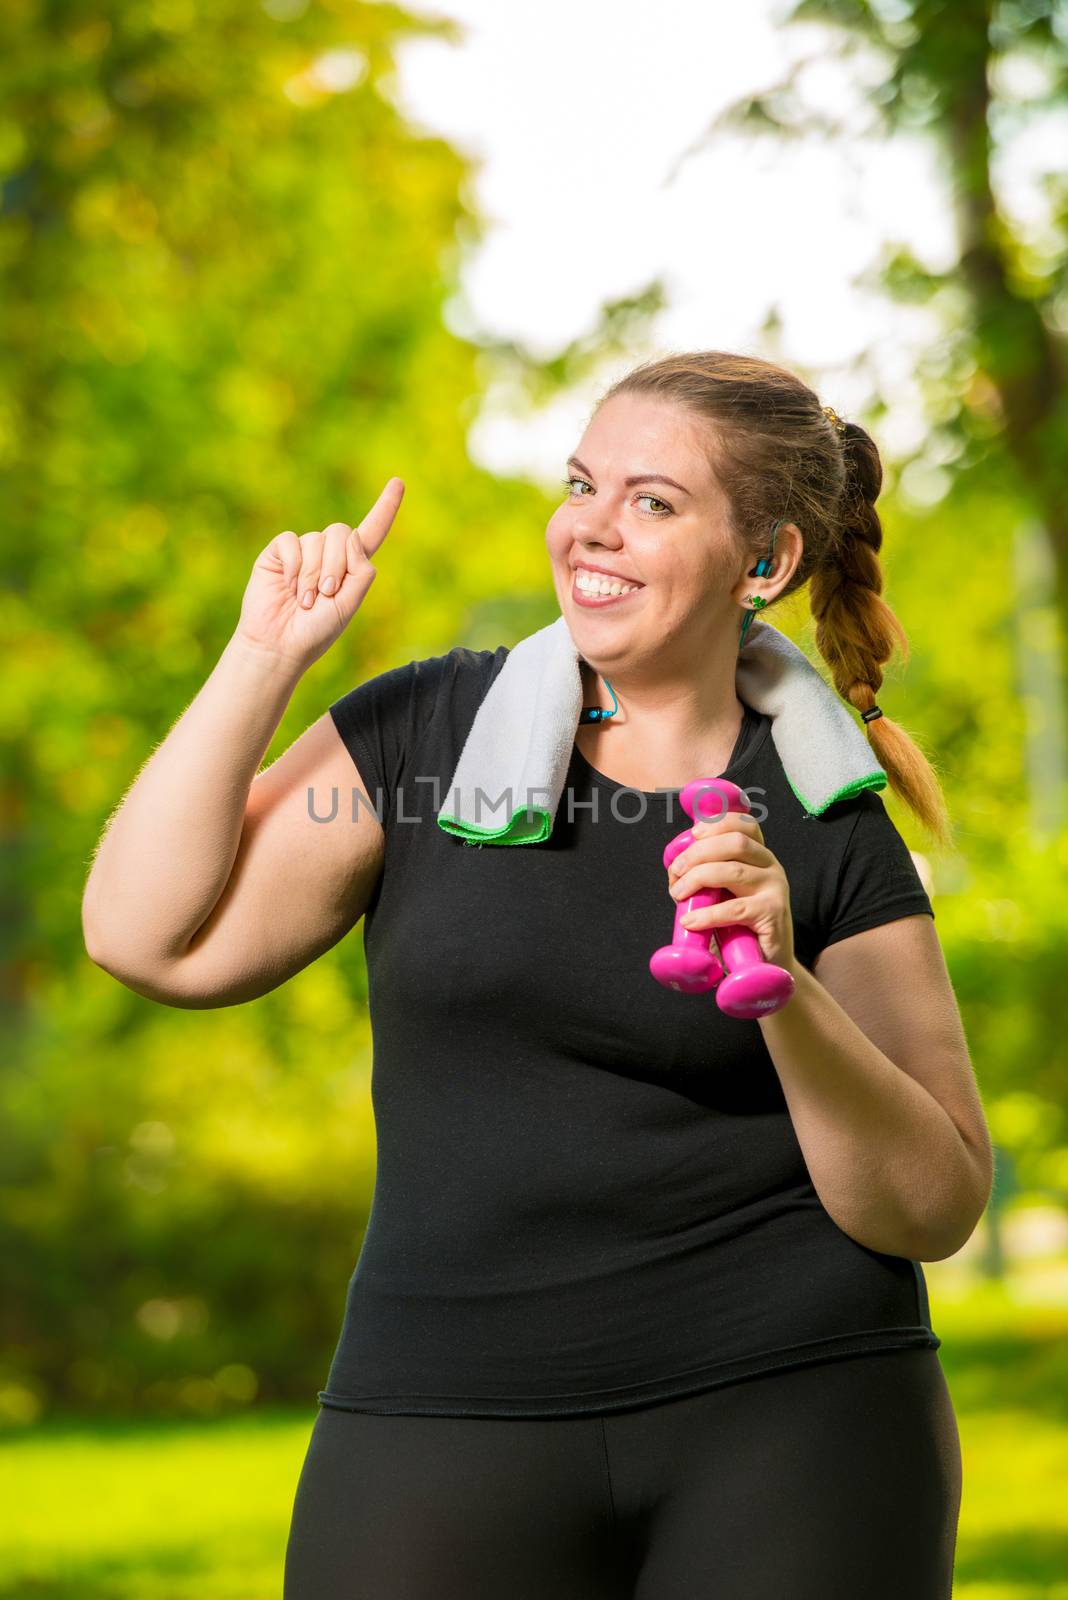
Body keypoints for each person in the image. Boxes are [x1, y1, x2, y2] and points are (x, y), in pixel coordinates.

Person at [82, 350, 991, 1599]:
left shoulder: (826, 817)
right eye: (581, 485)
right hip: (439, 1412)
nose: (589, 531)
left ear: (766, 561)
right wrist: (264, 653)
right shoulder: (420, 742)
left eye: (653, 502)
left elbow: (932, 1205)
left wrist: (784, 982)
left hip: (799, 1416)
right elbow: (148, 939)